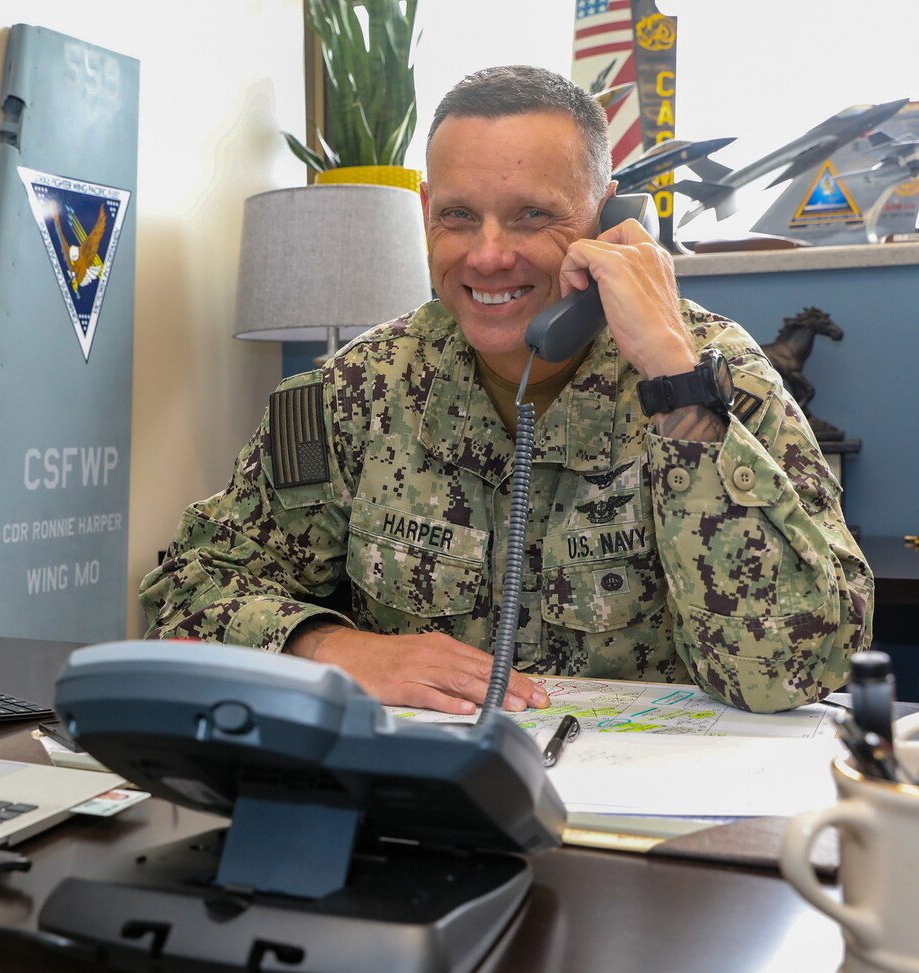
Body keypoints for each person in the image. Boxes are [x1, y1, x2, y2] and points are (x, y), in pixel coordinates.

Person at [140, 65, 872, 716]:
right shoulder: (354, 392)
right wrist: (330, 647)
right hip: (416, 818)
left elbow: (797, 668)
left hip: (636, 835)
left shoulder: (719, 374)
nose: (488, 255)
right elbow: (183, 596)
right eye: (458, 215)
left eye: (532, 214)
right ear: (425, 210)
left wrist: (673, 377)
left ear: (610, 216)